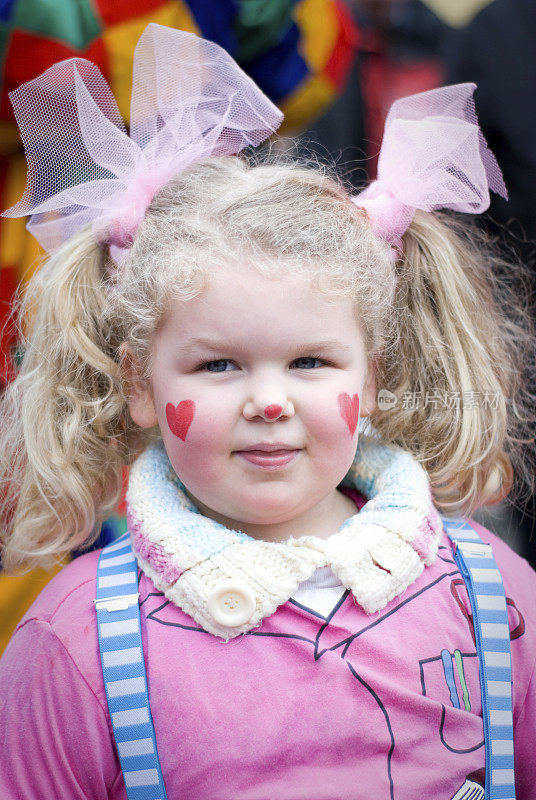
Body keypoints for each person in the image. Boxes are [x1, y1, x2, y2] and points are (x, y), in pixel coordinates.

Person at [0, 23, 535, 800]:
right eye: (218, 365)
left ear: (375, 375)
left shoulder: (490, 599)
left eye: (311, 362)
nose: (271, 401)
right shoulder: (77, 641)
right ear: (140, 383)